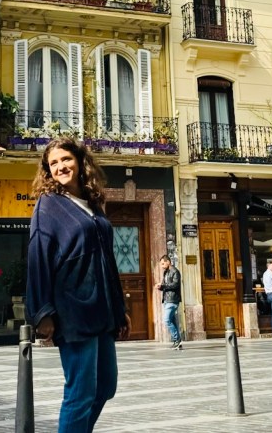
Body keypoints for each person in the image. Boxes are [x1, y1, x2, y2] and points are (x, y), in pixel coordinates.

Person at [27, 137, 131, 432]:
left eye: (66, 159)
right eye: (54, 163)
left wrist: (119, 309)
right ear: (48, 171)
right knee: (80, 393)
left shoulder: (93, 204)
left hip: (102, 309)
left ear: (80, 161)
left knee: (105, 388)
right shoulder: (48, 206)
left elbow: (108, 261)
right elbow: (37, 257)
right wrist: (42, 312)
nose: (61, 166)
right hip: (73, 310)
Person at [155, 254, 184, 349]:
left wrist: (163, 286)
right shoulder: (166, 272)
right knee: (172, 320)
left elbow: (175, 285)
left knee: (166, 320)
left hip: (173, 299)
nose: (162, 266)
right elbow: (165, 285)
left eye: (163, 264)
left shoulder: (175, 272)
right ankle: (177, 342)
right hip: (167, 299)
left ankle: (177, 339)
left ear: (168, 262)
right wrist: (160, 286)